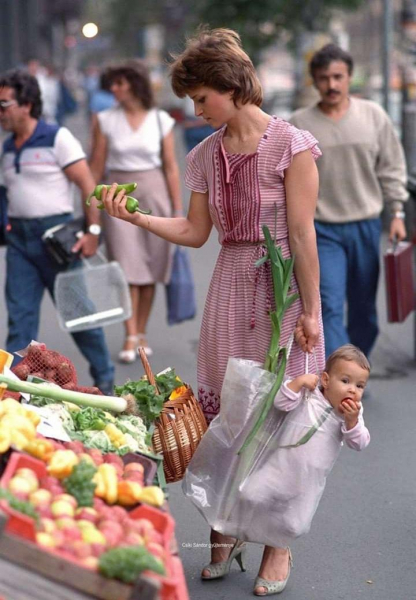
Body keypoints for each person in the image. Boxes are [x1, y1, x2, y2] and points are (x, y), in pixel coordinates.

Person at [101, 27, 325, 596]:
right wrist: (137, 219)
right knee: (225, 418)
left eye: (201, 98)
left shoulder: (293, 146)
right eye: (192, 101)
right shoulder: (203, 154)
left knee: (281, 416)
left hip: (283, 291)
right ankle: (223, 528)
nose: (196, 110)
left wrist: (313, 311)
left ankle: (278, 547)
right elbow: (196, 232)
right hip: (230, 287)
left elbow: (302, 235)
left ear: (230, 86)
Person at [290, 44, 408, 358]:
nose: (332, 84)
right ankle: (339, 375)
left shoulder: (374, 116)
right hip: (321, 230)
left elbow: (392, 167)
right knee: (328, 304)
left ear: (349, 77)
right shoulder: (299, 123)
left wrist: (397, 212)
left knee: (364, 308)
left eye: (338, 77)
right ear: (314, 82)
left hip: (366, 226)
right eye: (324, 78)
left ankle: (356, 369)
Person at [0, 69, 115, 394]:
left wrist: (93, 230)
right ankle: (14, 391)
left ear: (26, 104)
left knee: (80, 317)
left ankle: (105, 380)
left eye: (4, 104)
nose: (0, 112)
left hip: (57, 241)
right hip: (20, 243)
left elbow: (87, 185)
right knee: (19, 319)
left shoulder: (56, 137)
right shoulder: (8, 147)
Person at [237, 344, 370, 593]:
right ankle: (243, 536)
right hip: (277, 468)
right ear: (326, 380)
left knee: (293, 525)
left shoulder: (350, 415)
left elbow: (360, 443)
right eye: (345, 380)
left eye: (360, 385)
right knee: (249, 494)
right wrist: (297, 383)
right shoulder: (309, 395)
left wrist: (352, 423)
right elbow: (280, 403)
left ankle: (280, 550)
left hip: (306, 483)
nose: (352, 389)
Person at [89, 59, 183, 361]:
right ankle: (130, 335)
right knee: (127, 268)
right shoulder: (104, 119)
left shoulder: (160, 119)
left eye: (119, 83)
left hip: (154, 193)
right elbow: (96, 167)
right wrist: (91, 206)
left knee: (151, 268)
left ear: (133, 84)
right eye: (112, 84)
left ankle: (141, 331)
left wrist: (177, 209)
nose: (113, 89)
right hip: (117, 196)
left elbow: (170, 167)